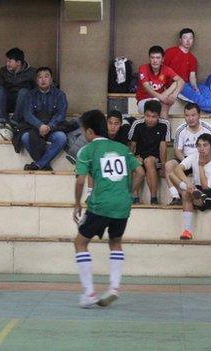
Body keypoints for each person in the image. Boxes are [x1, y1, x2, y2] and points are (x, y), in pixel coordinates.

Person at [72, 109, 142, 308]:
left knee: (80, 243)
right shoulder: (122, 148)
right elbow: (140, 171)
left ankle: (89, 293)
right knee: (115, 242)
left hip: (100, 204)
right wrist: (130, 193)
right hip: (122, 205)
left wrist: (77, 203)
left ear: (90, 131)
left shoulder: (87, 151)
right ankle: (114, 288)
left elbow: (80, 181)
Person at [169, 133, 211, 240]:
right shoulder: (194, 156)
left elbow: (206, 186)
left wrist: (201, 166)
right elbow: (177, 169)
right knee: (172, 174)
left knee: (186, 194)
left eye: (205, 145)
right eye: (199, 145)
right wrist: (188, 183)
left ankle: (188, 230)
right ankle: (194, 194)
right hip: (196, 188)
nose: (201, 148)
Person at [165, 28, 211, 114]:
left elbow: (192, 76)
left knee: (205, 89)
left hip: (187, 84)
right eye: (185, 38)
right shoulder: (170, 52)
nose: (188, 41)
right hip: (176, 85)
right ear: (180, 40)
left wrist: (195, 87)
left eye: (190, 38)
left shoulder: (192, 58)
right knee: (193, 93)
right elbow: (163, 69)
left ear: (193, 40)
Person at [164, 103, 211, 205]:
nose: (190, 118)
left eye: (193, 115)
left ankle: (199, 196)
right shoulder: (180, 130)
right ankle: (176, 196)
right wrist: (186, 161)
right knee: (169, 165)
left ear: (199, 115)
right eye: (187, 115)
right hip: (185, 159)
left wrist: (202, 161)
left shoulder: (208, 129)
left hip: (203, 158)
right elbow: (177, 151)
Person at [21, 67, 68, 171]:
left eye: (46, 76)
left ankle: (38, 164)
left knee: (62, 138)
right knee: (25, 137)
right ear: (36, 80)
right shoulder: (30, 94)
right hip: (35, 129)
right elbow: (27, 114)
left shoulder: (60, 94)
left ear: (51, 79)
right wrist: (40, 126)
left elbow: (61, 114)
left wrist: (49, 126)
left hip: (53, 128)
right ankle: (44, 165)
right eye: (40, 77)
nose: (43, 80)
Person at [128, 100, 169, 204]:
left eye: (154, 117)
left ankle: (154, 198)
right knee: (137, 163)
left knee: (148, 161)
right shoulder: (137, 124)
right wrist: (132, 160)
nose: (150, 119)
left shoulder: (165, 124)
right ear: (144, 114)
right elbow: (132, 146)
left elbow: (163, 147)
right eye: (148, 116)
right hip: (139, 157)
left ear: (159, 116)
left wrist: (163, 166)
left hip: (155, 159)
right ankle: (134, 196)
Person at [135, 45, 184, 118]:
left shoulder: (166, 69)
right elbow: (146, 87)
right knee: (159, 104)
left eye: (158, 58)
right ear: (149, 58)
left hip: (159, 99)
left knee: (175, 83)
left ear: (162, 59)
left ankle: (164, 128)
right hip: (144, 102)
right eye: (152, 58)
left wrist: (174, 95)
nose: (155, 61)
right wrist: (161, 97)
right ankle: (163, 127)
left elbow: (181, 81)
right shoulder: (143, 68)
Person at [0, 47, 35, 128]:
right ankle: (2, 120)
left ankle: (14, 121)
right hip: (8, 101)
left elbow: (36, 91)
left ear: (18, 62)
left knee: (24, 92)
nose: (7, 64)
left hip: (23, 103)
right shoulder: (3, 70)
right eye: (7, 61)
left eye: (10, 61)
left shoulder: (32, 72)